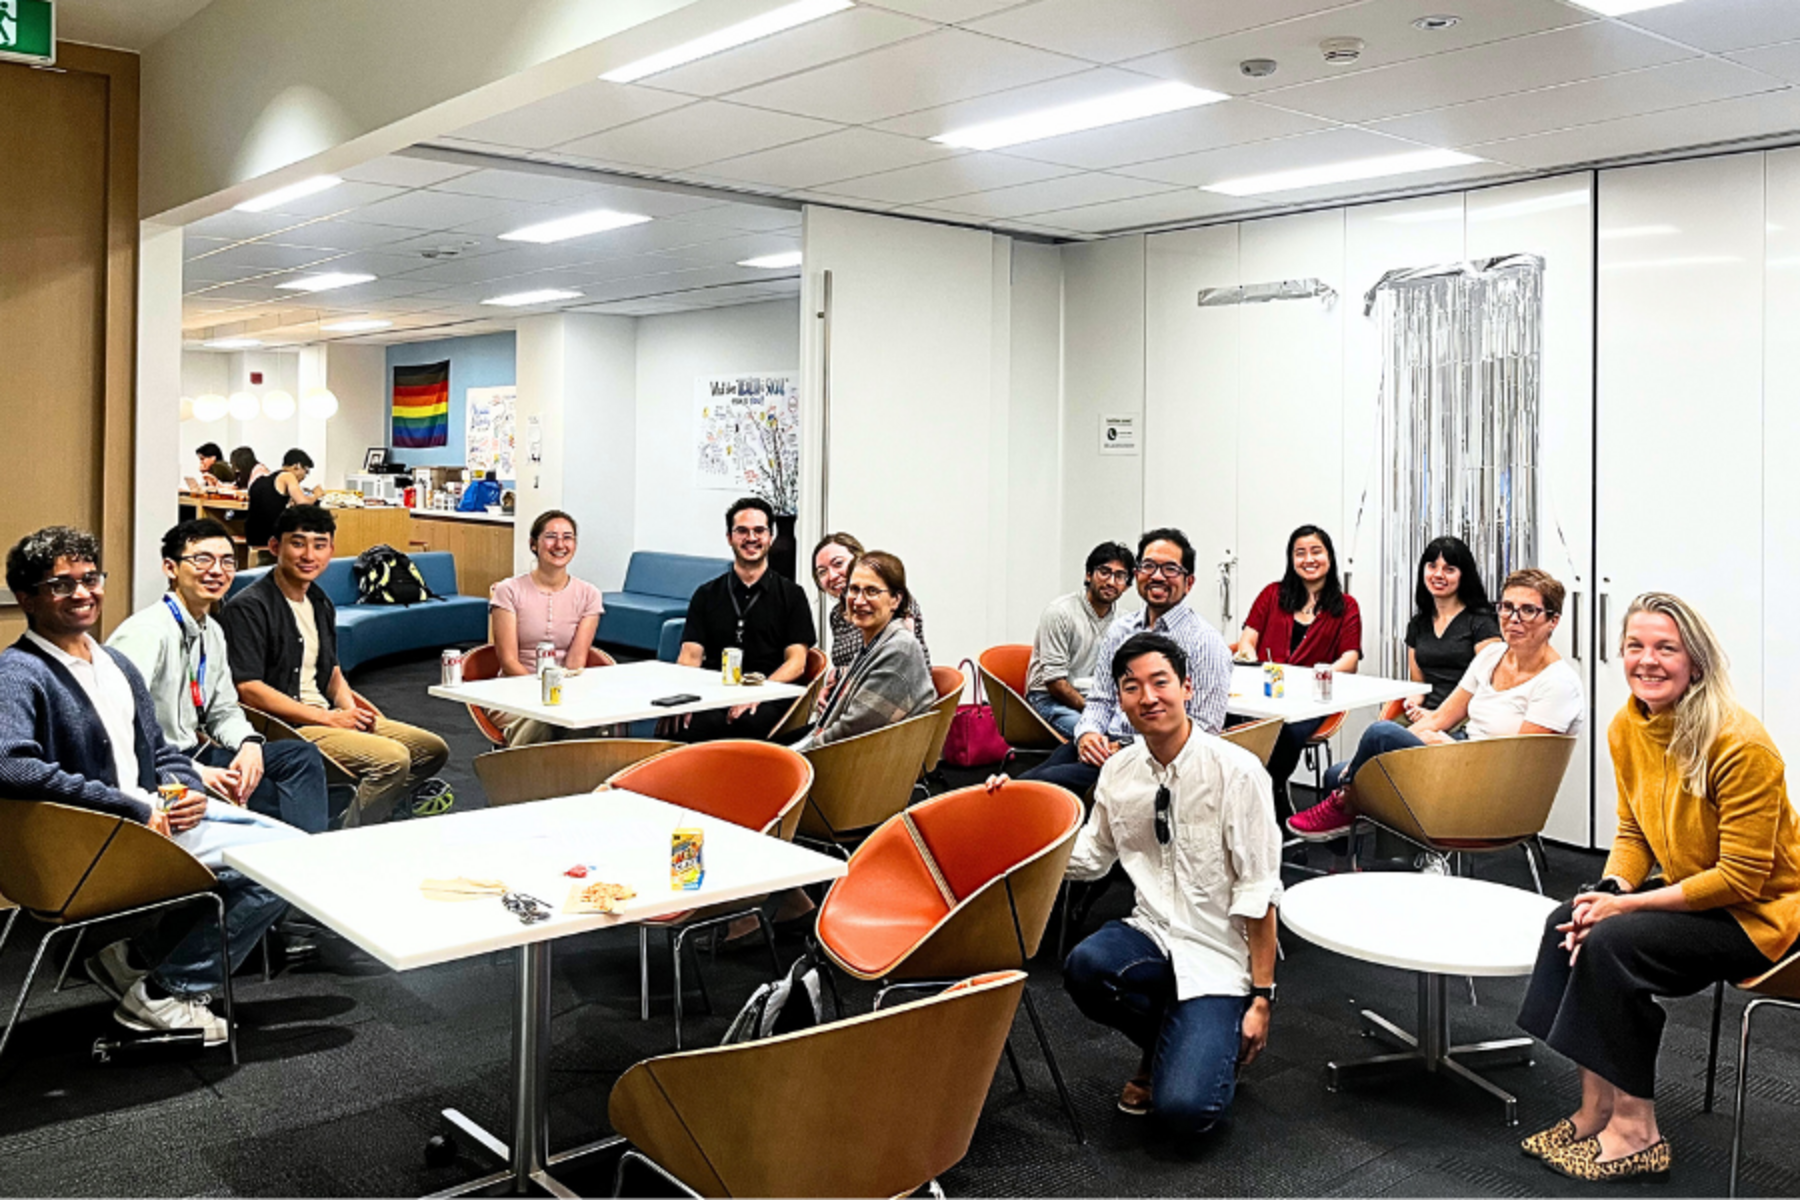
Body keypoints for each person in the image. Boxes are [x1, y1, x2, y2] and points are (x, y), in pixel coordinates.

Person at [1517, 593, 1800, 1183]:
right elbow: (1632, 831)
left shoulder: (1738, 742)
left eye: (1665, 648)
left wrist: (1627, 904)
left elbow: (1742, 878)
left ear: (1694, 661)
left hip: (1762, 917)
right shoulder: (1629, 724)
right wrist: (1610, 887)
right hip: (1691, 893)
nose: (1647, 661)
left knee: (1613, 943)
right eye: (1635, 647)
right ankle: (1596, 1109)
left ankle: (1636, 1128)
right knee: (1569, 920)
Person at [0, 526, 298, 1045]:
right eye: (60, 584)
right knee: (287, 864)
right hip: (95, 839)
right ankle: (165, 992)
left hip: (145, 818)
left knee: (292, 848)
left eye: (90, 578)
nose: (81, 593)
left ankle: (136, 958)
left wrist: (182, 790)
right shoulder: (18, 673)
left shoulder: (113, 664)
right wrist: (132, 808)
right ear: (27, 597)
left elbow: (159, 751)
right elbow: (11, 766)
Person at [1051, 632, 1282, 1132]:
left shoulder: (1237, 772)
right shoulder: (1118, 770)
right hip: (1153, 931)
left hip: (1219, 951)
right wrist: (1019, 833)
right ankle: (1166, 1042)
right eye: (1132, 687)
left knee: (1186, 1113)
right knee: (1086, 967)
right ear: (1119, 700)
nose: (1148, 697)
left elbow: (1259, 891)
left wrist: (1263, 998)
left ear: (1188, 687)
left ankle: (1205, 1040)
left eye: (1161, 682)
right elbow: (1093, 855)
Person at [1288, 568, 1584, 842]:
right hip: (1458, 755)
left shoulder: (1558, 683)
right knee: (1336, 774)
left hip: (1493, 786)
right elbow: (1442, 716)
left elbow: (1518, 765)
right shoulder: (1491, 655)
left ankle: (1350, 802)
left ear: (1552, 620)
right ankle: (1345, 856)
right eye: (1507, 607)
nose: (1514, 618)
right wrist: (1420, 740)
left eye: (1528, 610)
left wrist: (1446, 747)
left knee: (1380, 735)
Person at [222, 505, 450, 826]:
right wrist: (328, 718)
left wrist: (352, 714)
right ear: (275, 547)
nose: (308, 554)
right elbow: (248, 689)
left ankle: (362, 809)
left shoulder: (319, 601)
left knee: (432, 749)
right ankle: (348, 835)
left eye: (319, 544)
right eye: (297, 543)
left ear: (331, 549)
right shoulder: (249, 607)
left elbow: (331, 672)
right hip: (288, 727)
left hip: (327, 716)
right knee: (392, 760)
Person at [108, 519, 331, 835]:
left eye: (227, 561)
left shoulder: (211, 630)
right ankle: (284, 854)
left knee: (298, 756)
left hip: (196, 751)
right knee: (268, 799)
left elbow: (223, 709)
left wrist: (248, 743)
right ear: (171, 568)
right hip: (157, 764)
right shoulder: (148, 632)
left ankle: (301, 853)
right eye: (202, 559)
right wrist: (195, 771)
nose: (217, 571)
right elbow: (120, 725)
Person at [1021, 528, 1233, 800]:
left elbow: (1204, 728)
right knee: (1017, 785)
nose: (1157, 576)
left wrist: (1128, 748)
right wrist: (1088, 733)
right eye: (1148, 566)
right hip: (1103, 742)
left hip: (1151, 760)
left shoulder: (1205, 642)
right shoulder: (1121, 629)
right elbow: (1100, 699)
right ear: (1138, 574)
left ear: (1188, 582)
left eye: (1170, 569)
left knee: (1043, 790)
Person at [1234, 525, 1362, 805]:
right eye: (1300, 553)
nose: (1309, 559)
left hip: (1310, 701)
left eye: (1316, 551)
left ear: (1329, 557)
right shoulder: (1272, 594)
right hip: (1264, 694)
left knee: (1287, 729)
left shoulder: (1346, 605)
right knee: (1228, 720)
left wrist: (1314, 678)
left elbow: (1349, 659)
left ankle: (1269, 790)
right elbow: (1247, 641)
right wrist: (1250, 658)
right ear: (1291, 560)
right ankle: (1244, 791)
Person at [678, 497, 816, 741]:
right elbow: (690, 656)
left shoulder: (792, 595)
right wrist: (684, 699)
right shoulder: (705, 594)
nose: (751, 538)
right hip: (714, 691)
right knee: (693, 724)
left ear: (770, 537)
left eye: (759, 531)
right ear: (729, 537)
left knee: (748, 724)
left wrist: (759, 694)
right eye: (742, 531)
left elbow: (797, 663)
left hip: (769, 693)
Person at [790, 551, 934, 752]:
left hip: (858, 771)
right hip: (855, 759)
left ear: (896, 599)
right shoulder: (876, 641)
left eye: (872, 591)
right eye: (854, 589)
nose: (858, 601)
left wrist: (795, 755)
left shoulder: (899, 651)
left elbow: (850, 732)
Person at [489, 509, 604, 745]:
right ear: (534, 544)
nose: (560, 544)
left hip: (565, 691)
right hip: (515, 690)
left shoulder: (589, 594)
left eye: (568, 537)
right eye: (551, 536)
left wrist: (558, 697)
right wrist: (542, 698)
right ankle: (520, 772)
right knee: (546, 721)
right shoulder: (508, 591)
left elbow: (576, 662)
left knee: (592, 720)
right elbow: (509, 662)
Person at [1025, 542, 1133, 739]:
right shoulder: (1060, 612)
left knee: (1136, 732)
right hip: (1049, 698)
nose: (1111, 581)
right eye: (1104, 572)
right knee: (1104, 735)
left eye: (1120, 576)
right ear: (1088, 575)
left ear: (1126, 586)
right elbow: (1055, 683)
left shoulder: (1125, 622)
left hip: (1095, 699)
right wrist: (1095, 713)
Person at [812, 531, 928, 711]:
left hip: (889, 708)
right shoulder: (838, 614)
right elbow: (849, 667)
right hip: (850, 701)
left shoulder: (894, 604)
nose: (832, 575)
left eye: (838, 564)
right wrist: (831, 687)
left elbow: (894, 662)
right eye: (822, 572)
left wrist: (838, 676)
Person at [1403, 535, 1501, 719]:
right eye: (1432, 566)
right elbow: (1418, 686)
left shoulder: (1482, 623)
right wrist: (1412, 703)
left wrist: (1439, 716)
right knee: (1379, 734)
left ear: (1463, 575)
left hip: (1466, 719)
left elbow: (1489, 687)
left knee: (1384, 735)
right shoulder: (1417, 624)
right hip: (1425, 715)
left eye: (1449, 569)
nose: (1438, 575)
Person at [244, 449, 320, 565]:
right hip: (271, 535)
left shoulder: (262, 479)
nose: (304, 477)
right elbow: (304, 503)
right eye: (306, 471)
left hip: (253, 535)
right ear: (297, 466)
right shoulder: (287, 476)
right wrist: (316, 495)